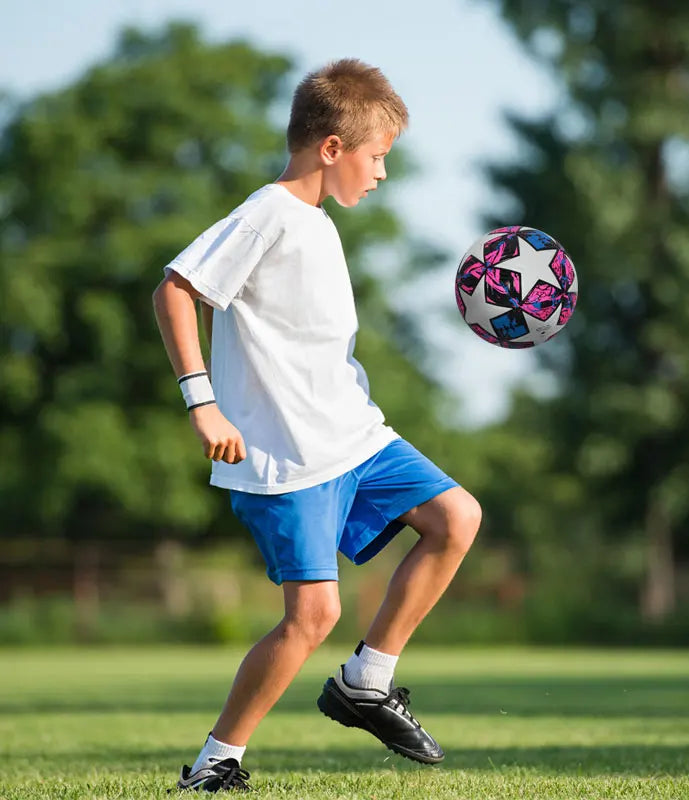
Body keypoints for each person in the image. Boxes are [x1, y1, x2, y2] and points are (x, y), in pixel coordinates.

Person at [152, 57, 481, 793]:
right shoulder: (266, 212)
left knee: (456, 516)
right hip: (284, 456)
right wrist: (202, 402)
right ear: (331, 147)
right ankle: (215, 763)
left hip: (355, 436)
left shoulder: (320, 224)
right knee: (312, 617)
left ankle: (369, 680)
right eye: (378, 157)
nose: (382, 174)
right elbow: (175, 290)